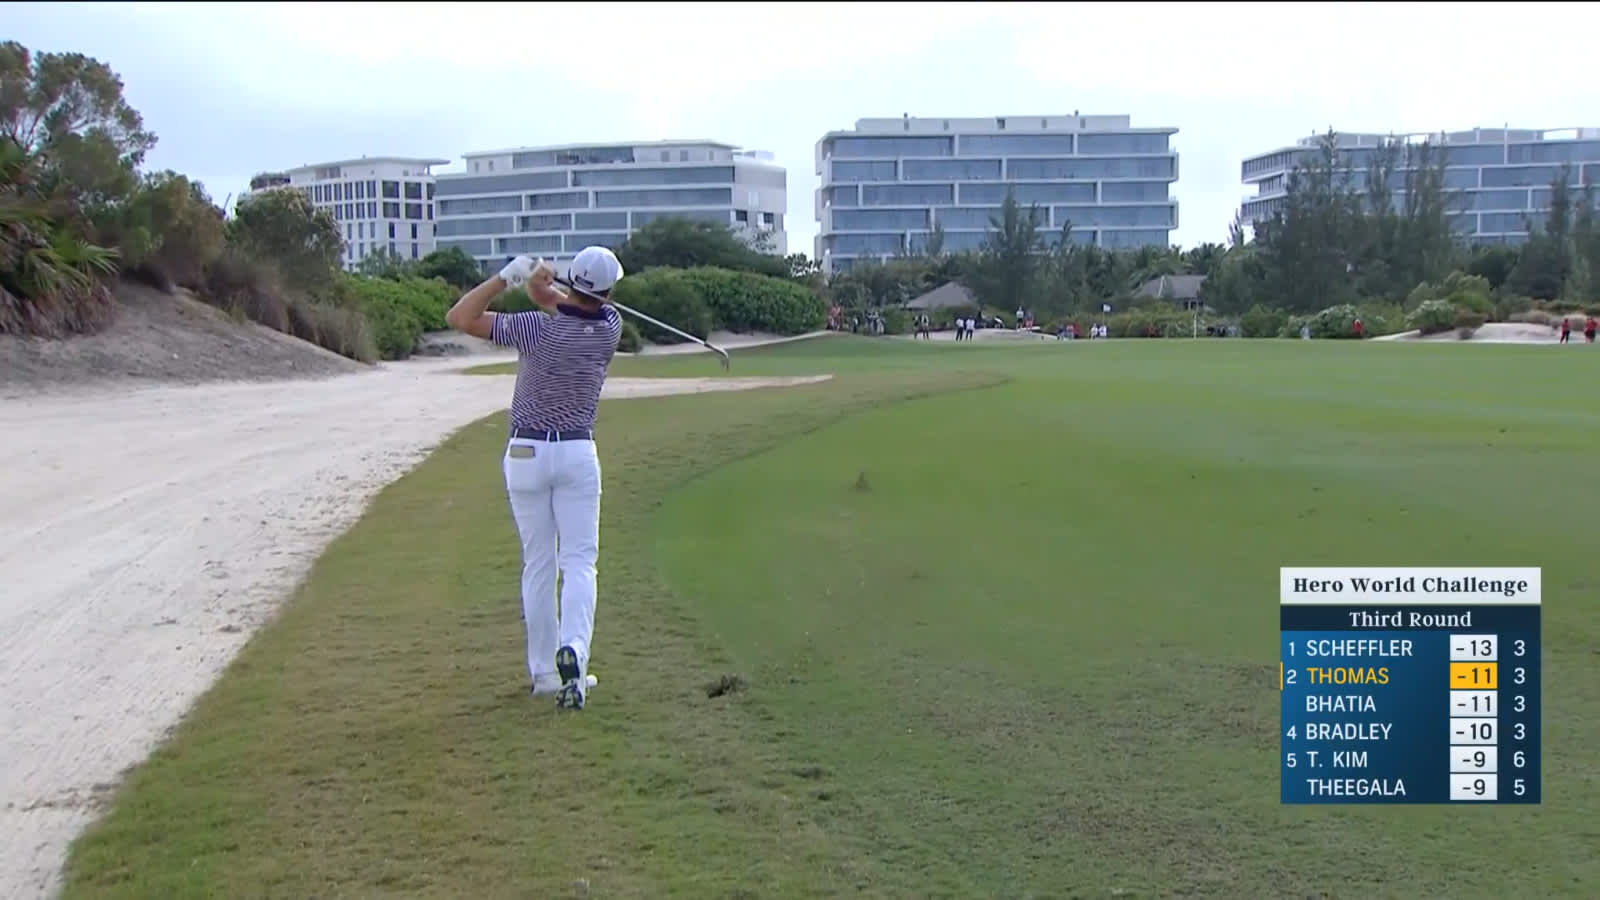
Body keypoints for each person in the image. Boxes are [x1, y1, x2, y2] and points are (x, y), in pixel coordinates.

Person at [443, 247, 625, 711]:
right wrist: (548, 284)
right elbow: (563, 302)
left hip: (525, 453)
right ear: (606, 291)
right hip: (576, 452)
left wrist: (510, 276)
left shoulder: (533, 328)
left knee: (539, 564)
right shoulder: (609, 329)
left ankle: (545, 673)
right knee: (580, 562)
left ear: (573, 282)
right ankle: (576, 658)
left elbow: (461, 316)